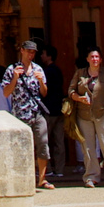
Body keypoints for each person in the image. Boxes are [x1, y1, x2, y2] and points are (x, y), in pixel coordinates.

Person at [68, 49, 104, 187]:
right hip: (84, 115)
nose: (95, 59)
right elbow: (71, 91)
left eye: (97, 57)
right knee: (88, 147)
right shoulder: (80, 74)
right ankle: (91, 177)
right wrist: (79, 98)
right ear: (87, 59)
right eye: (92, 57)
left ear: (100, 60)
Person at [1, 40, 52, 189]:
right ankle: (23, 177)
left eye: (33, 52)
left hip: (36, 112)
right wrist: (15, 78)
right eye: (28, 51)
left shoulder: (38, 69)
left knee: (43, 144)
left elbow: (44, 93)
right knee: (21, 146)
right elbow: (6, 93)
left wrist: (41, 82)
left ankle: (42, 178)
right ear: (22, 51)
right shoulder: (12, 69)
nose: (31, 55)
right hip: (20, 115)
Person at [39, 44, 68, 178]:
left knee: (45, 141)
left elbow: (44, 91)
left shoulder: (46, 72)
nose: (41, 56)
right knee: (59, 141)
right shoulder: (58, 70)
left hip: (48, 110)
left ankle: (48, 169)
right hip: (59, 109)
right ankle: (60, 169)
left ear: (49, 56)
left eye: (43, 53)